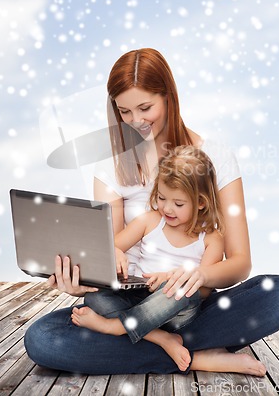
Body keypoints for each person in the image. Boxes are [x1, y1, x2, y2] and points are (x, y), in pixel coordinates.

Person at [24, 48, 279, 376]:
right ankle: (195, 354)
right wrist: (80, 280)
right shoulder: (110, 166)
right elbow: (112, 253)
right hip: (127, 300)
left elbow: (240, 263)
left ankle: (137, 341)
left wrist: (199, 275)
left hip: (189, 300)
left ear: (168, 97)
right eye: (124, 112)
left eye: (145, 107)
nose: (136, 121)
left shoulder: (216, 156)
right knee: (41, 339)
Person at [71, 146, 225, 372]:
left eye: (178, 204)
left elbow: (204, 290)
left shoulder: (212, 239)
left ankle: (114, 327)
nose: (167, 208)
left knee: (183, 290)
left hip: (175, 310)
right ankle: (161, 338)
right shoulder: (150, 221)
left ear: (201, 202)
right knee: (95, 299)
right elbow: (108, 248)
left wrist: (170, 281)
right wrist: (115, 253)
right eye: (162, 198)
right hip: (139, 298)